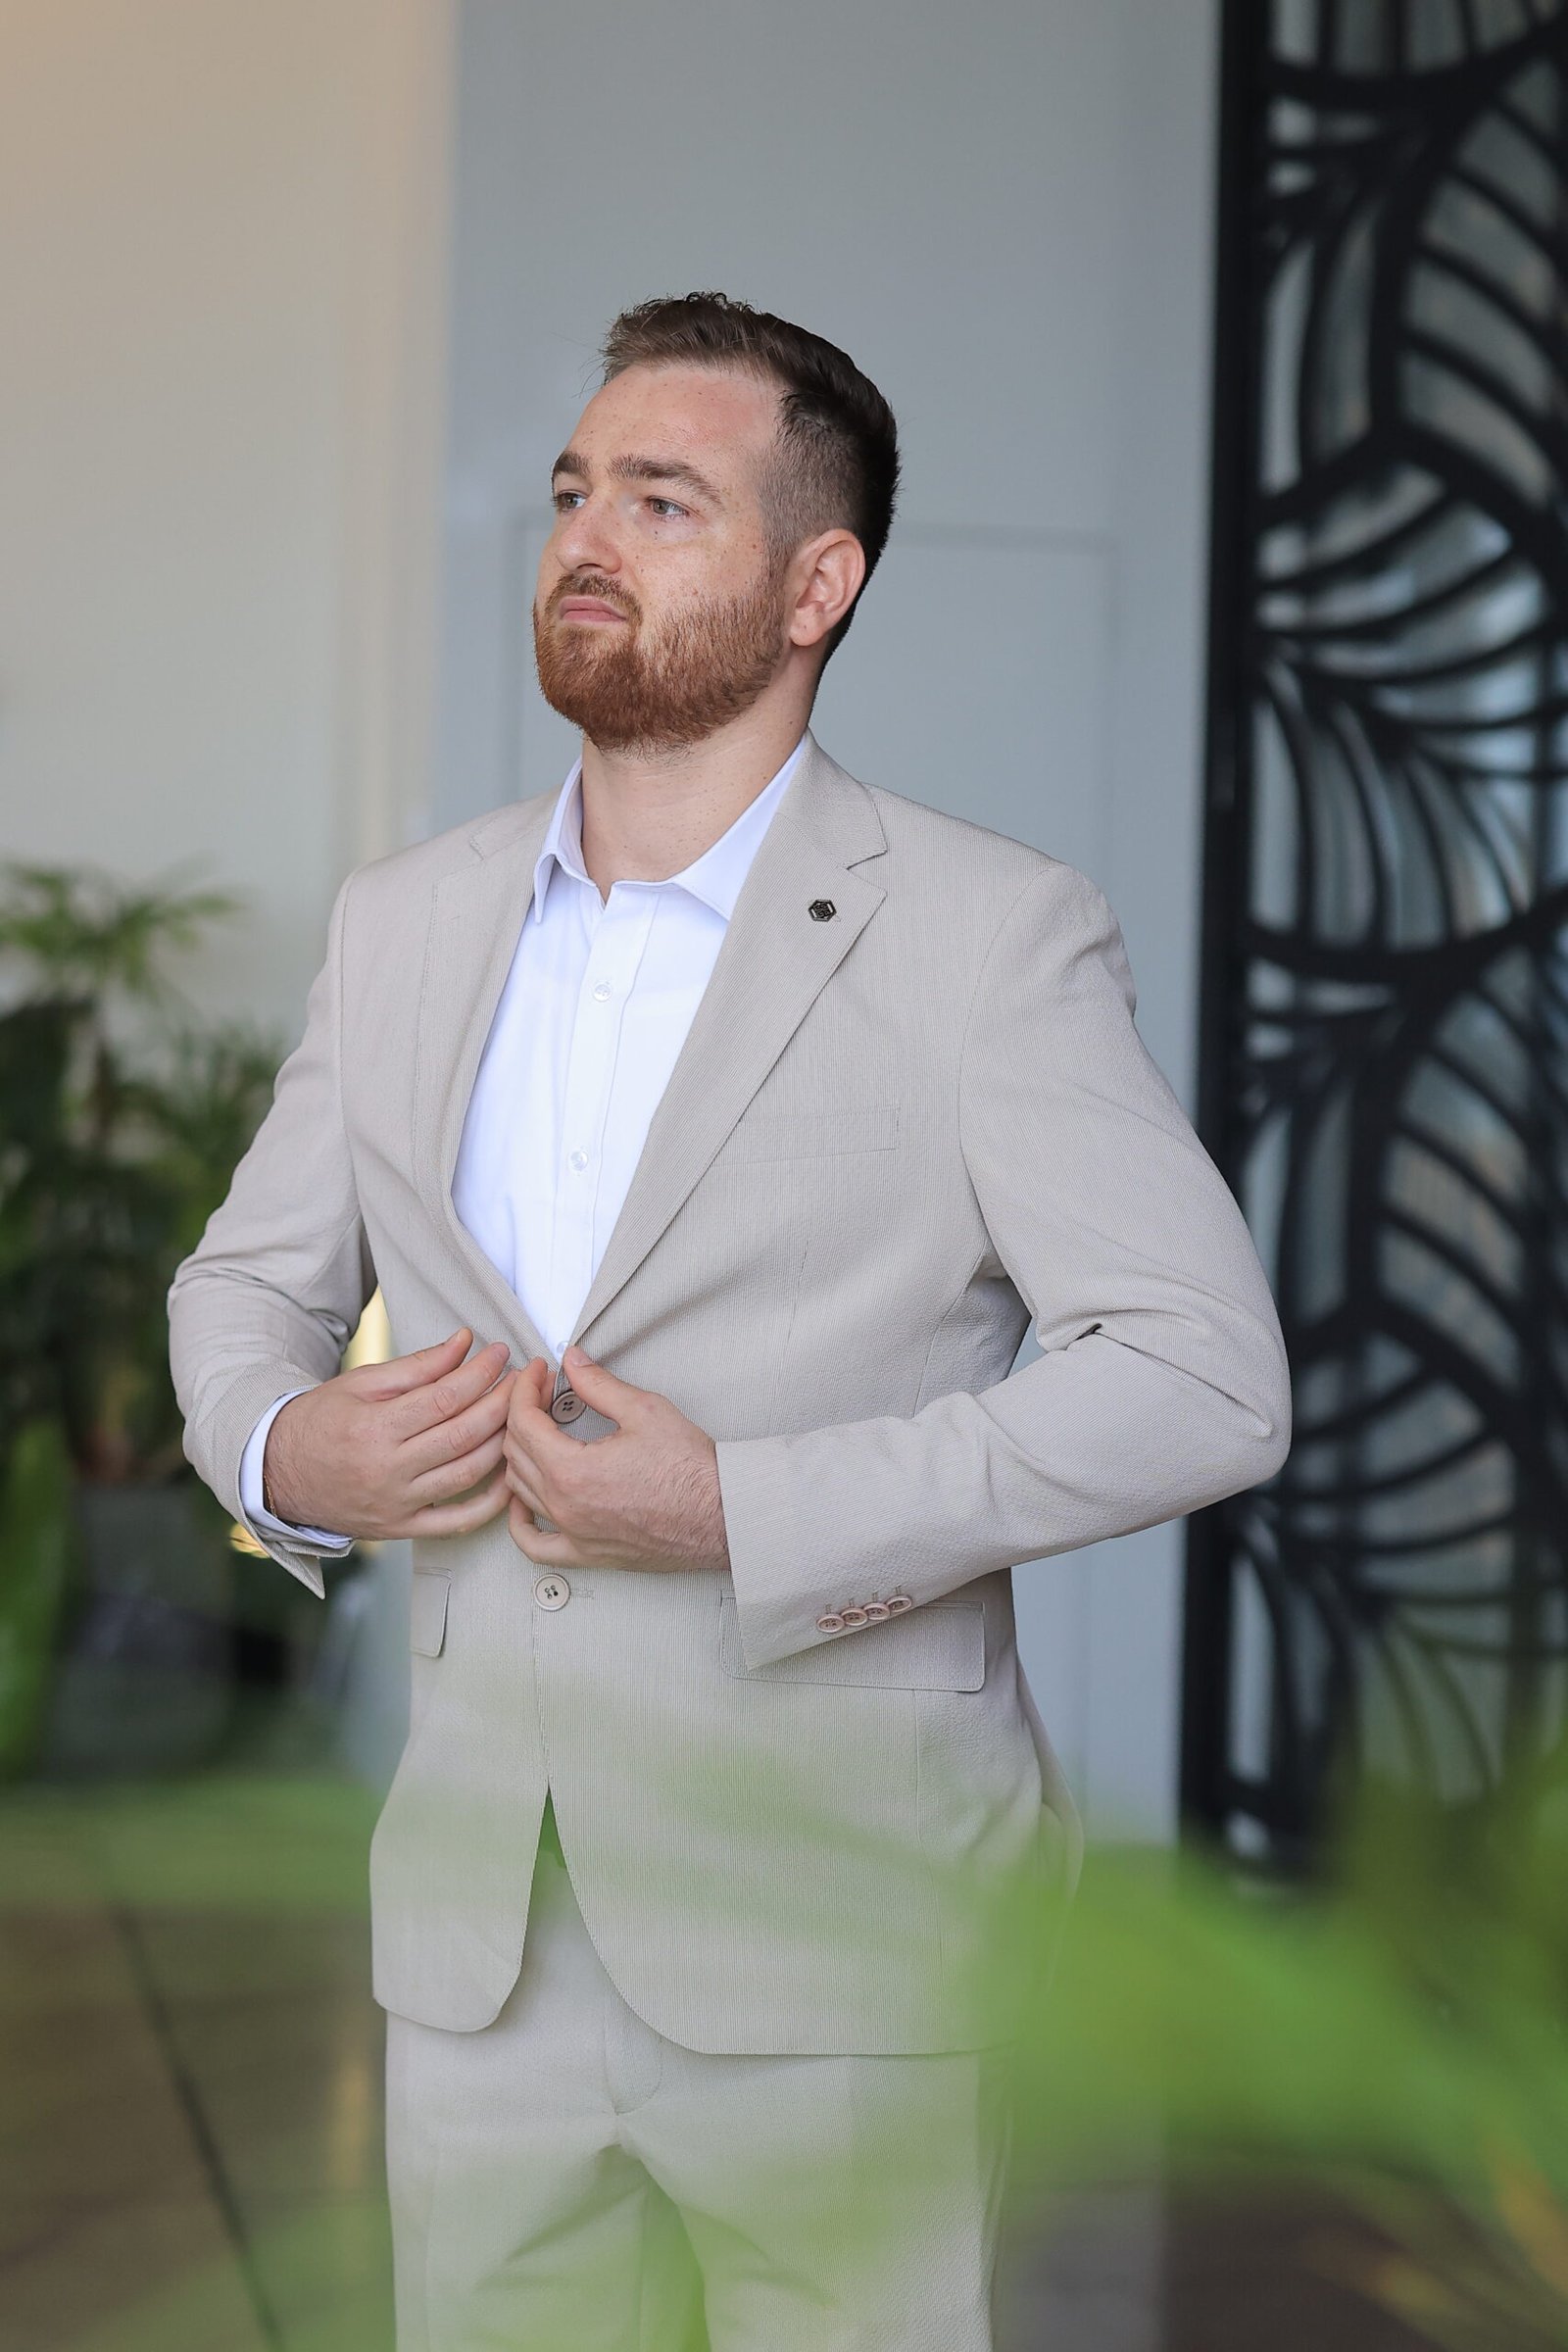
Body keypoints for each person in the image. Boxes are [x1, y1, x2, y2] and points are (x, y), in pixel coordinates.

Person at [169, 291, 1291, 2351]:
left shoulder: (990, 937)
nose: (586, 538)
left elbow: (1202, 1379)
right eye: (572, 492)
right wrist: (278, 1452)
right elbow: (245, 1288)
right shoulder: (402, 921)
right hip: (476, 1941)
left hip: (840, 1926)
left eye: (663, 501)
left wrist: (741, 1512)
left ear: (814, 584)